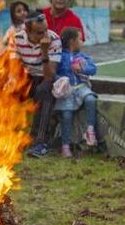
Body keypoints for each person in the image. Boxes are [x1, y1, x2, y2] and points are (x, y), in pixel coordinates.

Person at [9, 10, 60, 158]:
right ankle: (6, 138)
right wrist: (13, 83)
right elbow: (14, 68)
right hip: (27, 77)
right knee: (9, 92)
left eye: (45, 30)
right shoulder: (17, 38)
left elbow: (50, 75)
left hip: (45, 76)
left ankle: (40, 142)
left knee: (44, 91)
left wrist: (44, 52)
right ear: (27, 31)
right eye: (39, 33)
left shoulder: (53, 39)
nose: (45, 35)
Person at [54, 28, 98, 158]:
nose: (82, 41)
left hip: (81, 87)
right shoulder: (60, 56)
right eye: (80, 39)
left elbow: (93, 69)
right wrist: (61, 80)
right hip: (67, 90)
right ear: (72, 41)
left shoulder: (83, 57)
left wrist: (82, 68)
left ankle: (90, 130)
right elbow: (54, 72)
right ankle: (65, 146)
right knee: (66, 115)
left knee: (90, 99)